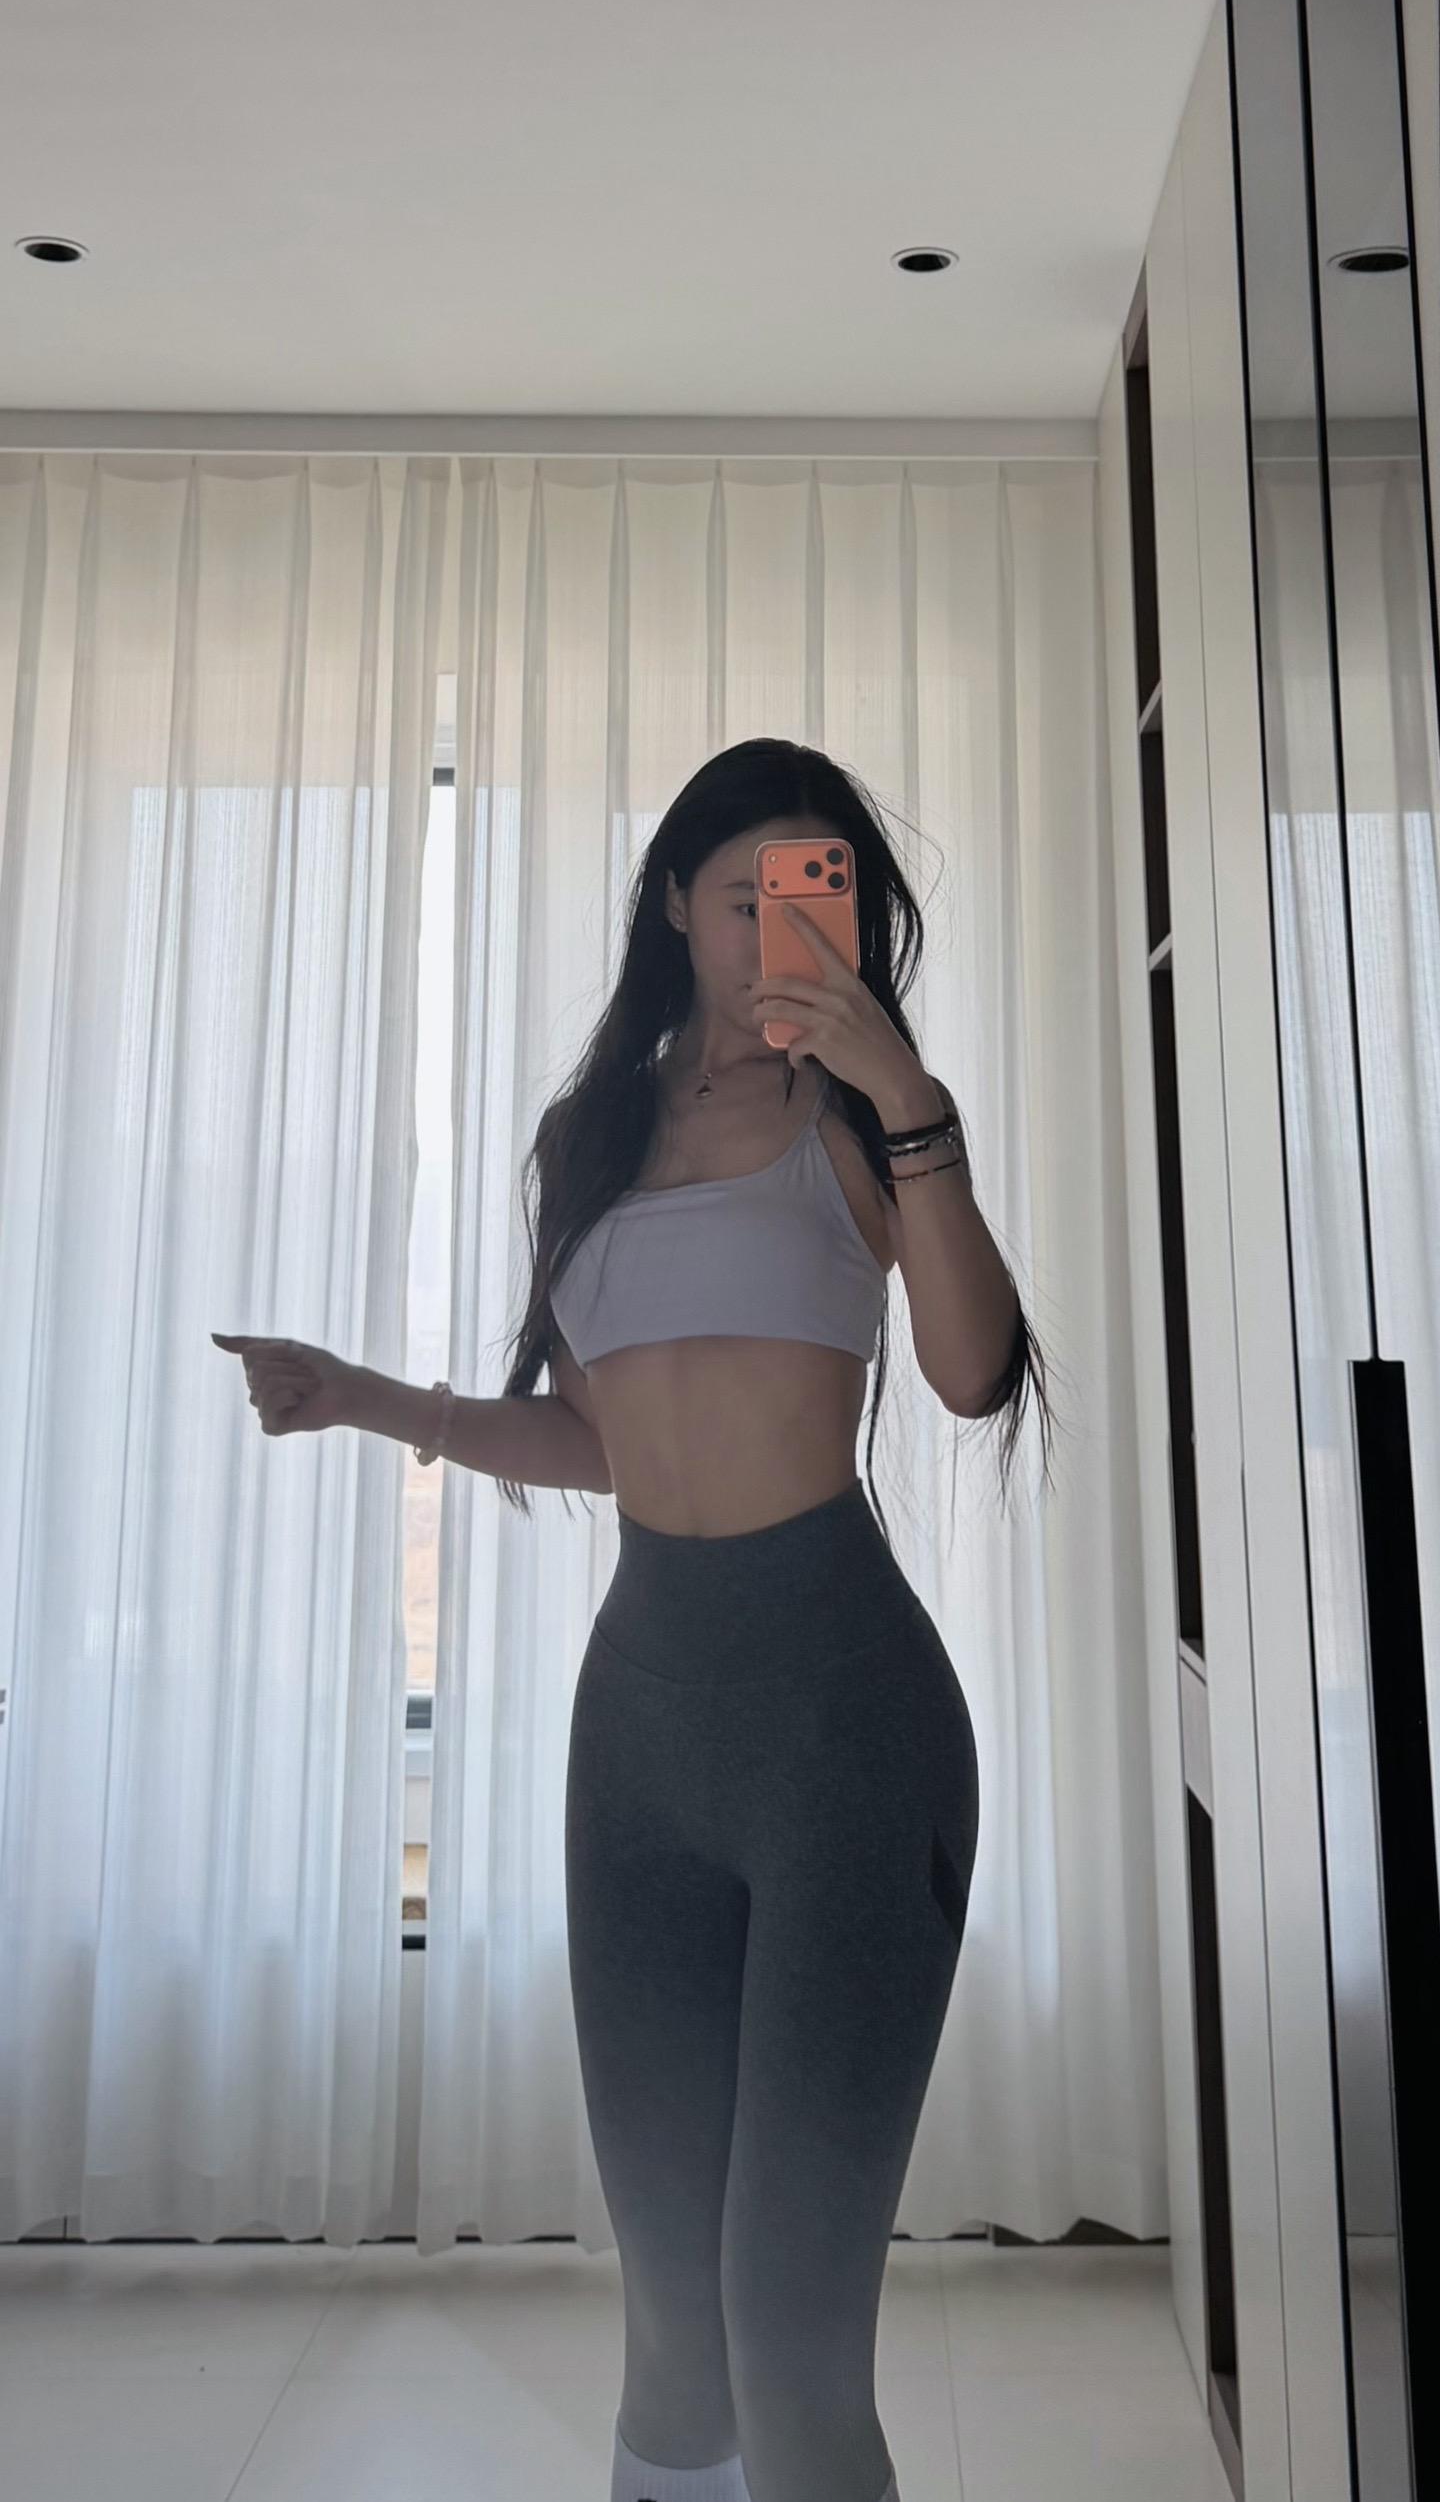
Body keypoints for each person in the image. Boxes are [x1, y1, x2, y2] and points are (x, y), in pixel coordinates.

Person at [215, 737, 1061, 2502]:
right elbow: (600, 1436)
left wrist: (907, 1093)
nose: (777, 927)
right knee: (675, 2333)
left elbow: (975, 1372)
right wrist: (360, 1395)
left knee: (791, 2337)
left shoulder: (862, 1122)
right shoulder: (586, 1138)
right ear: (674, 900)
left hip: (848, 1733)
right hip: (645, 1741)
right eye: (745, 893)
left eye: (815, 892)